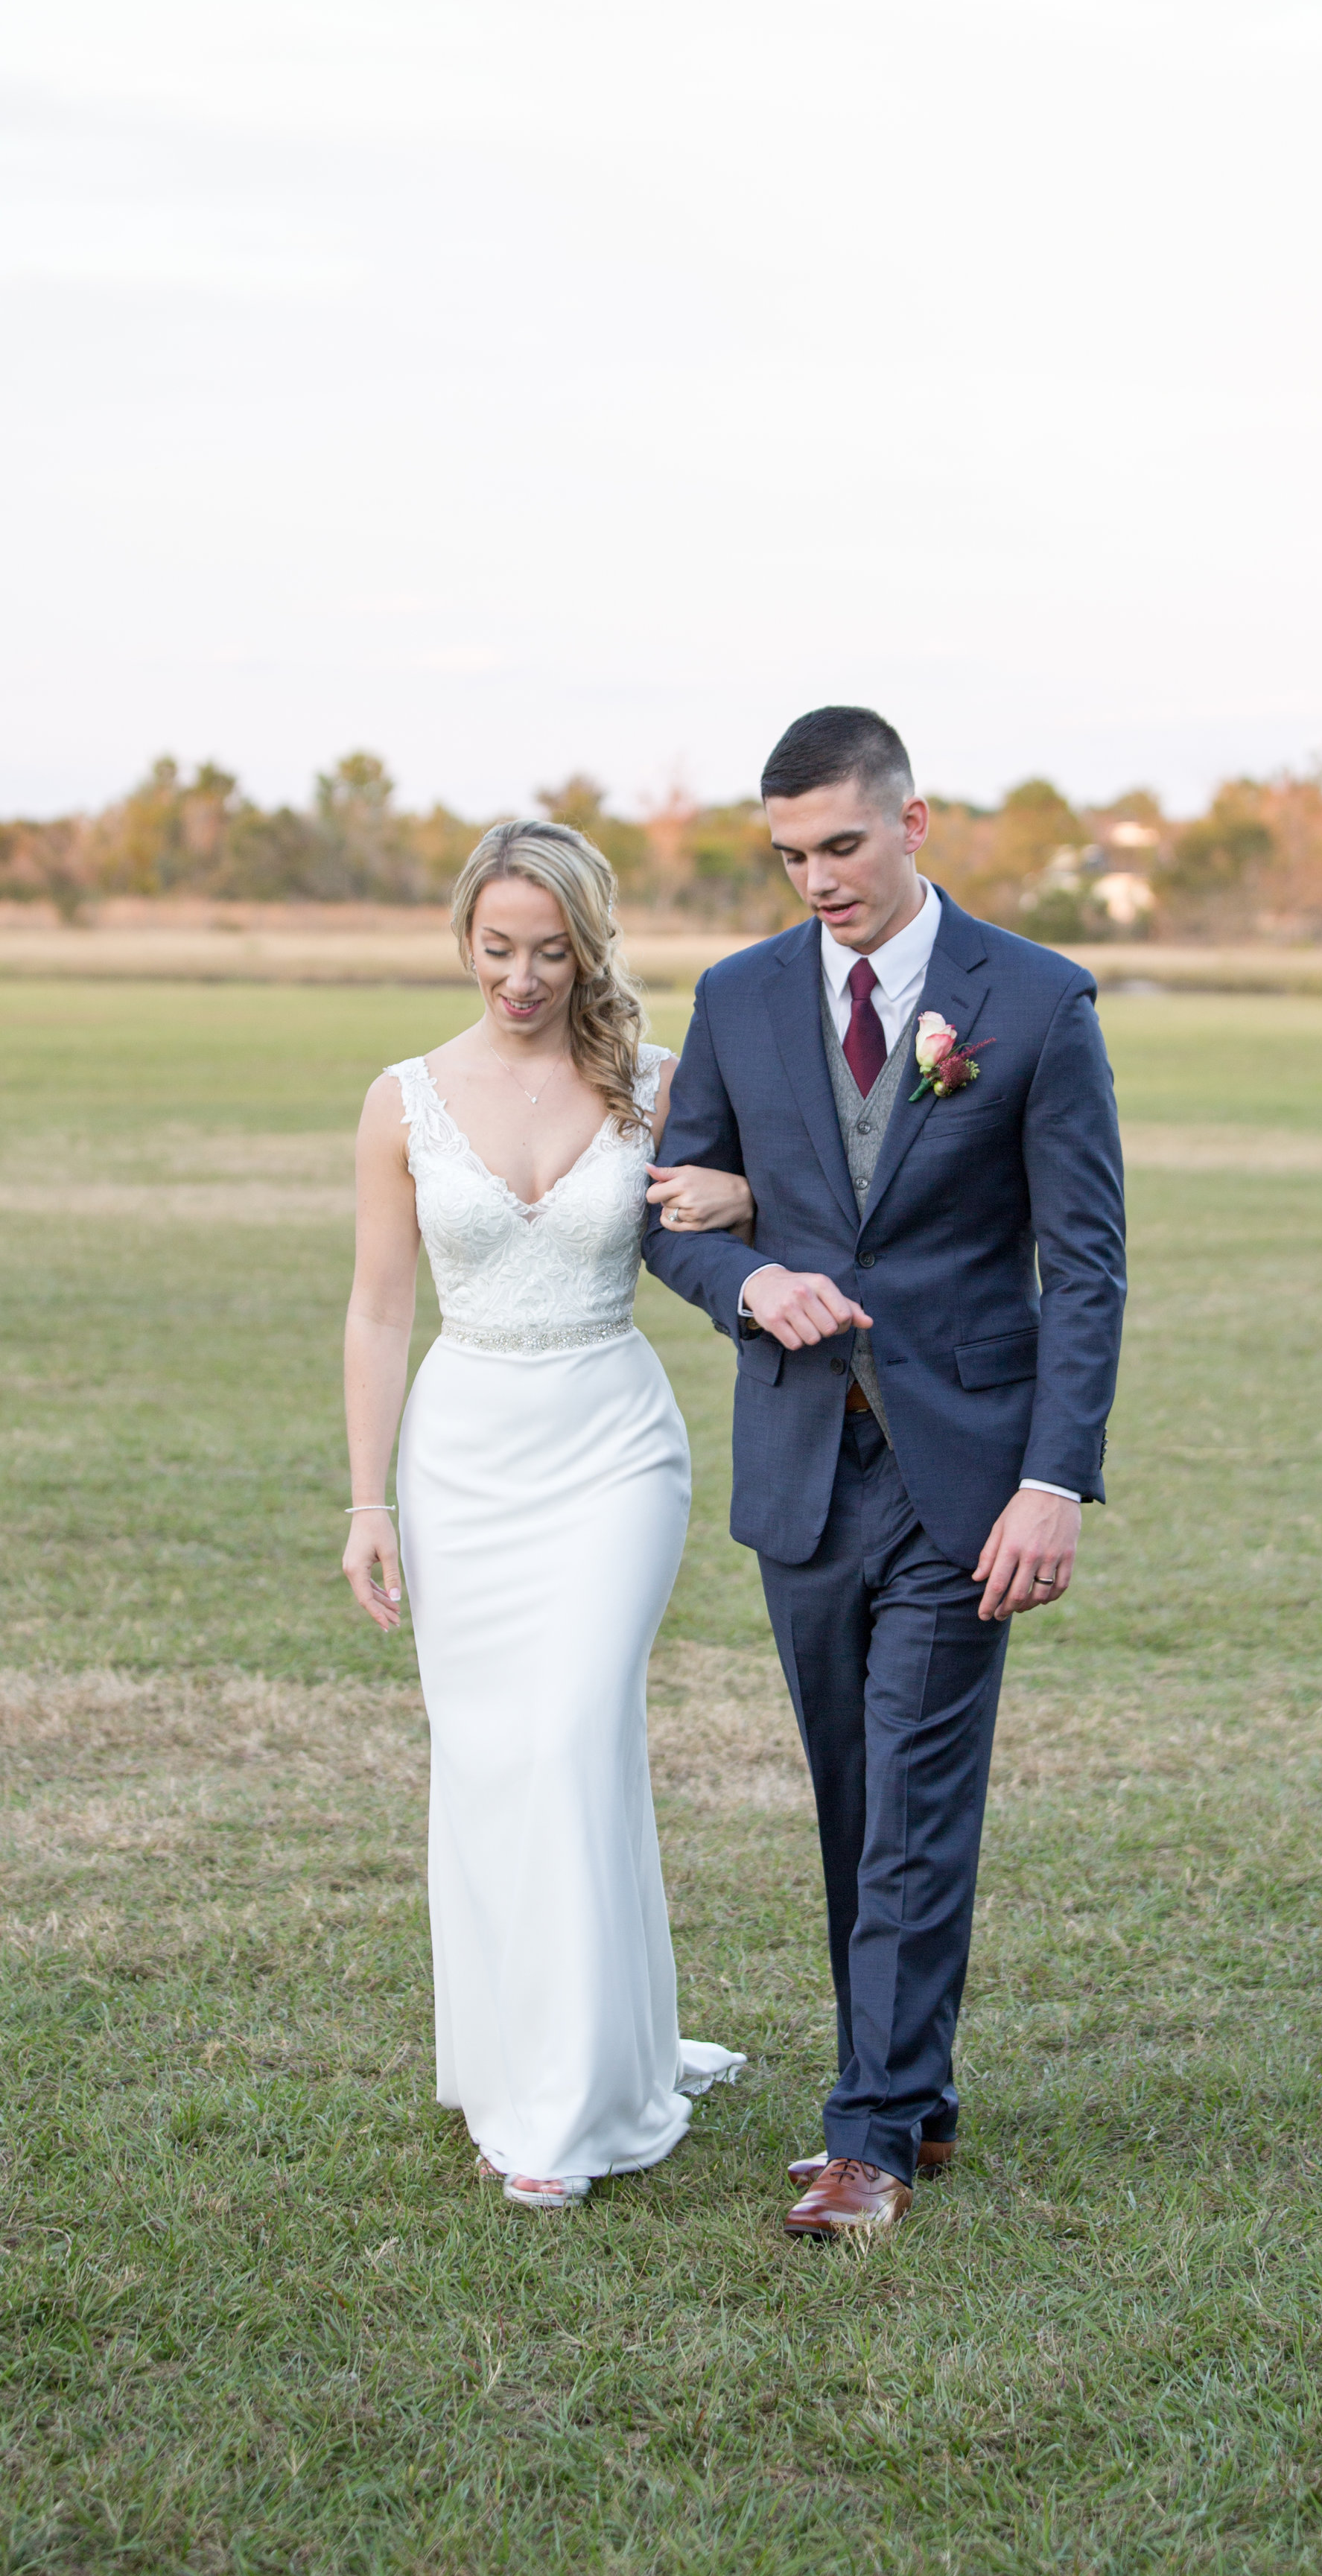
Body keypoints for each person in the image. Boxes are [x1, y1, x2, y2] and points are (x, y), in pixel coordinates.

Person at [644, 707, 1126, 2238]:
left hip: (964, 1471)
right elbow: (670, 1214)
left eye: (839, 846)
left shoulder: (1036, 1004)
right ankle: (911, 2095)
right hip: (800, 1462)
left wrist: (1053, 1481)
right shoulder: (733, 999)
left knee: (917, 1794)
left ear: (914, 825)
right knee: (853, 1798)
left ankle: (861, 2137)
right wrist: (746, 1284)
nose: (815, 881)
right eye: (787, 855)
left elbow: (1088, 1269)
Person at [341, 817, 748, 2210]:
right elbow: (380, 1304)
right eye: (497, 948)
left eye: (549, 951)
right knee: (493, 1752)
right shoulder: (403, 1097)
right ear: (465, 938)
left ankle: (571, 2112)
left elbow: (751, 1216)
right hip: (462, 1456)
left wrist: (741, 1185)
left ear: (589, 947)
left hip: (614, 1448)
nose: (520, 978)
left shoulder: (654, 1080)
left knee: (576, 1731)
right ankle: (538, 2046)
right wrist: (364, 1497)